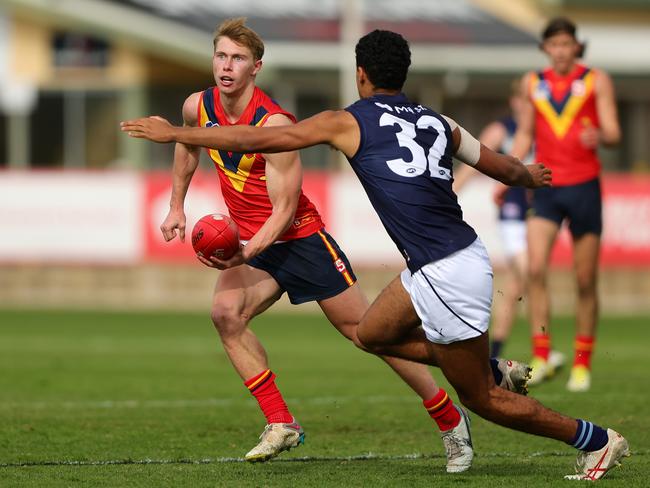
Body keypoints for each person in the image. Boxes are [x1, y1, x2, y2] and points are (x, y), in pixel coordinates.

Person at [121, 29, 629, 481]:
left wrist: (175, 133)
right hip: (443, 261)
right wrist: (528, 175)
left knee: (482, 399)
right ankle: (485, 369)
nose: (225, 65)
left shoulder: (348, 121)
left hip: (446, 269)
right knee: (371, 334)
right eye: (220, 56)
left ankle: (594, 439)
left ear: (359, 73)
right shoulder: (438, 121)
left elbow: (262, 137)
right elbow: (496, 163)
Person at [510, 18, 621, 391]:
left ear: (576, 47)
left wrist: (600, 135)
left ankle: (581, 362)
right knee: (536, 268)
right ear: (545, 49)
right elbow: (525, 132)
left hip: (585, 187)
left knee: (585, 279)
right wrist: (509, 169)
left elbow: (615, 132)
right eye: (553, 44)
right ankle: (542, 355)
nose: (560, 50)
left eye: (566, 44)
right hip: (546, 186)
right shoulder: (532, 83)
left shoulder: (595, 80)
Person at [453, 80, 533, 359]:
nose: (528, 105)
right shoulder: (503, 130)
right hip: (512, 214)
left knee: (515, 287)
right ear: (514, 102)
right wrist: (450, 195)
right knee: (529, 270)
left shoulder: (543, 130)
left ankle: (496, 350)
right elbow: (472, 162)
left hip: (539, 216)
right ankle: (543, 352)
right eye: (523, 99)